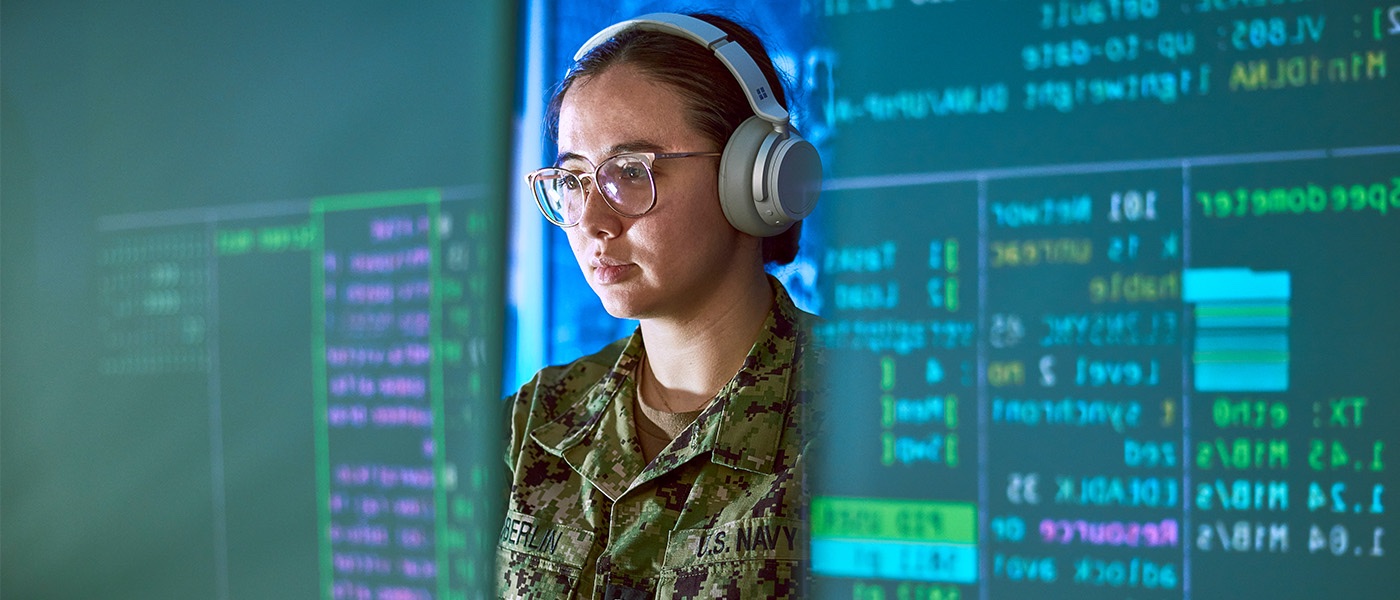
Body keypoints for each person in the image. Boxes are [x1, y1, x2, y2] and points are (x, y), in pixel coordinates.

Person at [498, 11, 822, 599]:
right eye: (573, 180)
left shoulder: (871, 419)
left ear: (753, 179)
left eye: (630, 172)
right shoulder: (532, 425)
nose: (592, 222)